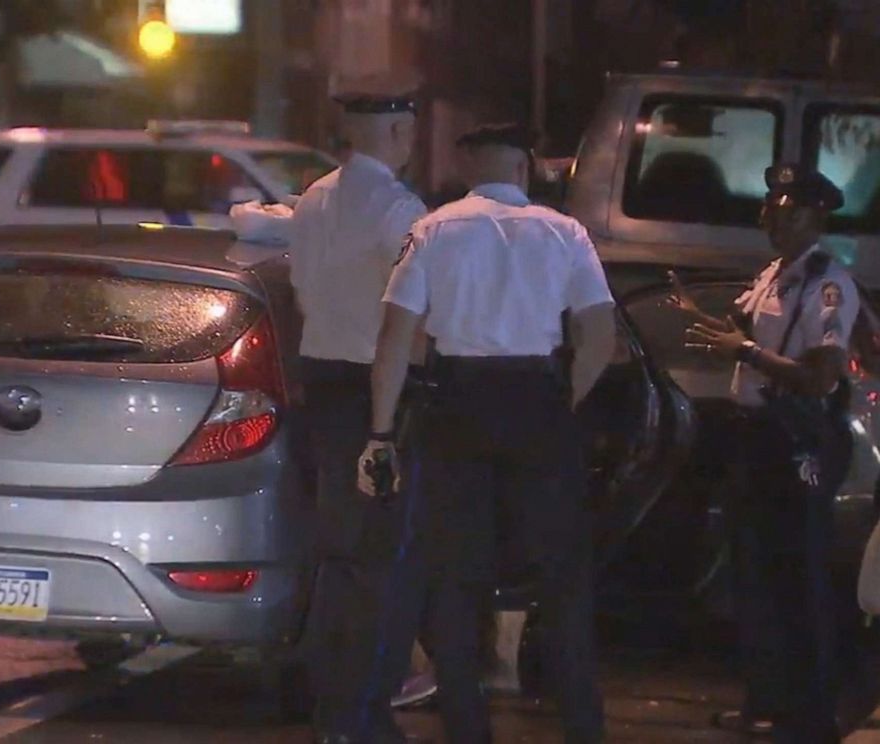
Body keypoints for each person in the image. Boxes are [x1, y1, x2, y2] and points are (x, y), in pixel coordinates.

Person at [358, 123, 616, 744]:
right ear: (526, 169)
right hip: (538, 404)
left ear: (469, 167)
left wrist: (381, 432)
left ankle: (467, 728)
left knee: (453, 576)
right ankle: (583, 725)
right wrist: (562, 403)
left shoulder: (433, 230)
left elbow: (394, 342)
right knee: (562, 577)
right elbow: (600, 339)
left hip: (458, 407)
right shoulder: (566, 233)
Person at [672, 163, 856, 743]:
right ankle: (766, 703)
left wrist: (745, 350)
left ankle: (810, 717)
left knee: (798, 579)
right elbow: (742, 333)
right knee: (755, 578)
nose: (771, 217)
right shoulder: (774, 273)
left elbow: (821, 378)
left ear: (815, 216)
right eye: (770, 207)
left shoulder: (828, 284)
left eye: (786, 209)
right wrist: (704, 321)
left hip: (796, 441)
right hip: (756, 438)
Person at [288, 90, 427, 744]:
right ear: (398, 132)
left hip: (321, 384)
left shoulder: (312, 200)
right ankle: (364, 714)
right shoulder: (402, 211)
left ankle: (328, 710)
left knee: (336, 555)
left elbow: (301, 291)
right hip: (377, 390)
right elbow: (415, 316)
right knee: (379, 560)